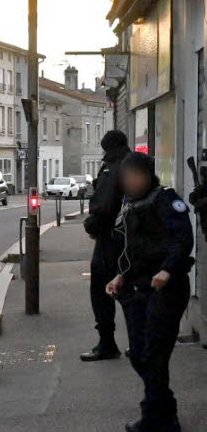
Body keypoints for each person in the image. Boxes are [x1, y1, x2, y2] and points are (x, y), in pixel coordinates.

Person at [105, 152, 195, 432]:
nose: (129, 182)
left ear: (146, 175)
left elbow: (183, 238)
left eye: (134, 176)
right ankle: (164, 411)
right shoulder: (130, 204)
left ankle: (157, 418)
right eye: (125, 178)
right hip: (137, 288)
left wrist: (167, 270)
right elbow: (134, 251)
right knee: (139, 354)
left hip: (166, 289)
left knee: (155, 354)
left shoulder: (165, 199)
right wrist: (121, 276)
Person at [81, 129, 130, 362]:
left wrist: (92, 226)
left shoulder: (112, 168)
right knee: (130, 290)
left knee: (102, 291)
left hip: (111, 239)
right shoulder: (132, 164)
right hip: (132, 238)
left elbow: (104, 205)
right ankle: (139, 342)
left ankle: (107, 343)